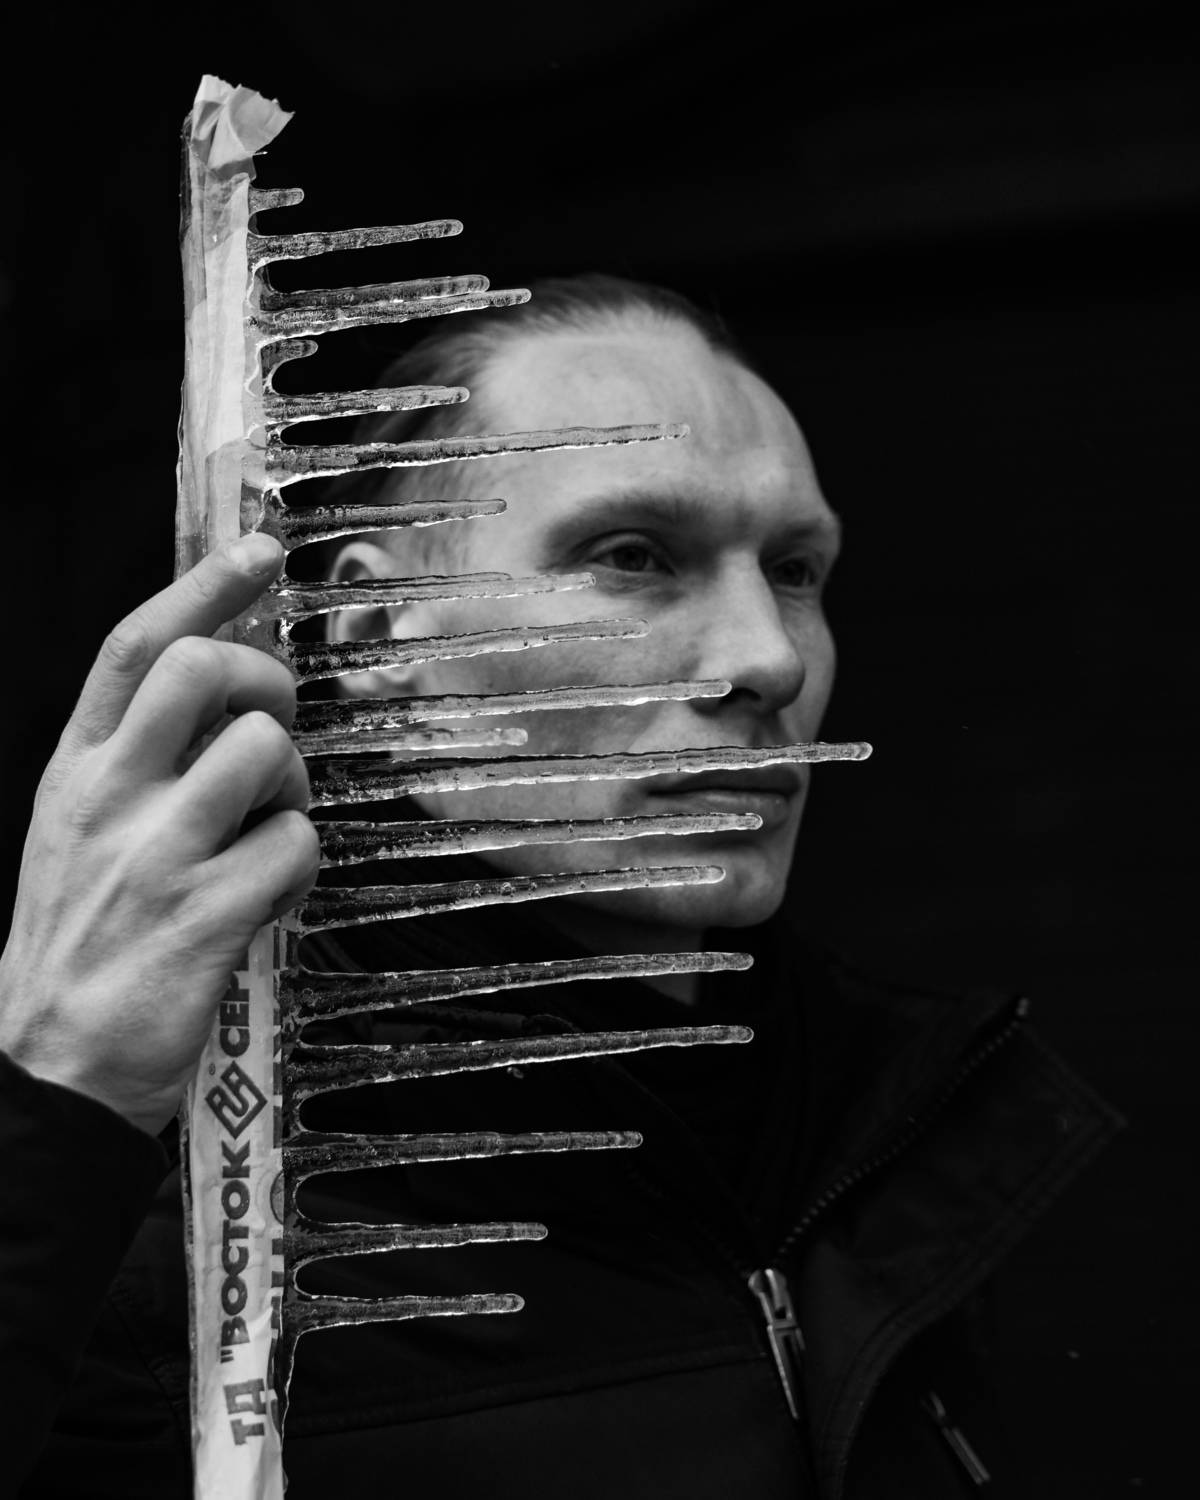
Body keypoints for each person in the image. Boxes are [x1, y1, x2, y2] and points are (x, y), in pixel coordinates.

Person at [0, 275, 1119, 1498]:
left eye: (796, 569)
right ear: (378, 639)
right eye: (633, 556)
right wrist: (55, 1104)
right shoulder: (178, 1252)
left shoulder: (918, 1147)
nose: (769, 659)